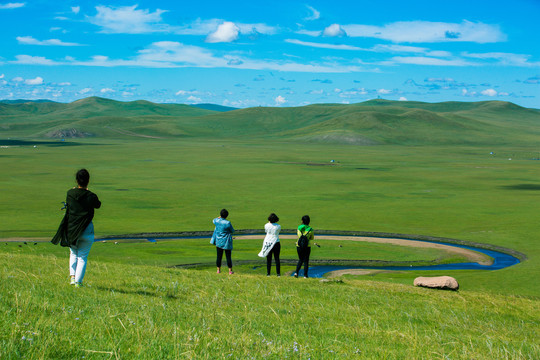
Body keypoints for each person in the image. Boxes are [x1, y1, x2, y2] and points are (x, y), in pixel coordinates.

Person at [52, 169, 101, 287]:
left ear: (76, 180)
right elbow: (98, 205)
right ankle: (78, 283)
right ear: (88, 181)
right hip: (86, 229)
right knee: (82, 257)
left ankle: (73, 278)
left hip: (72, 229)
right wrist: (87, 192)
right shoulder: (91, 196)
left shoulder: (70, 193)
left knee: (73, 253)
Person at [210, 209, 235, 274]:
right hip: (226, 241)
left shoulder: (216, 221)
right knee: (228, 256)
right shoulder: (227, 223)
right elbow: (232, 230)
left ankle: (218, 270)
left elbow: (213, 220)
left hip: (218, 241)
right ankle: (230, 271)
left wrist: (218, 217)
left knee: (219, 256)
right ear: (227, 216)